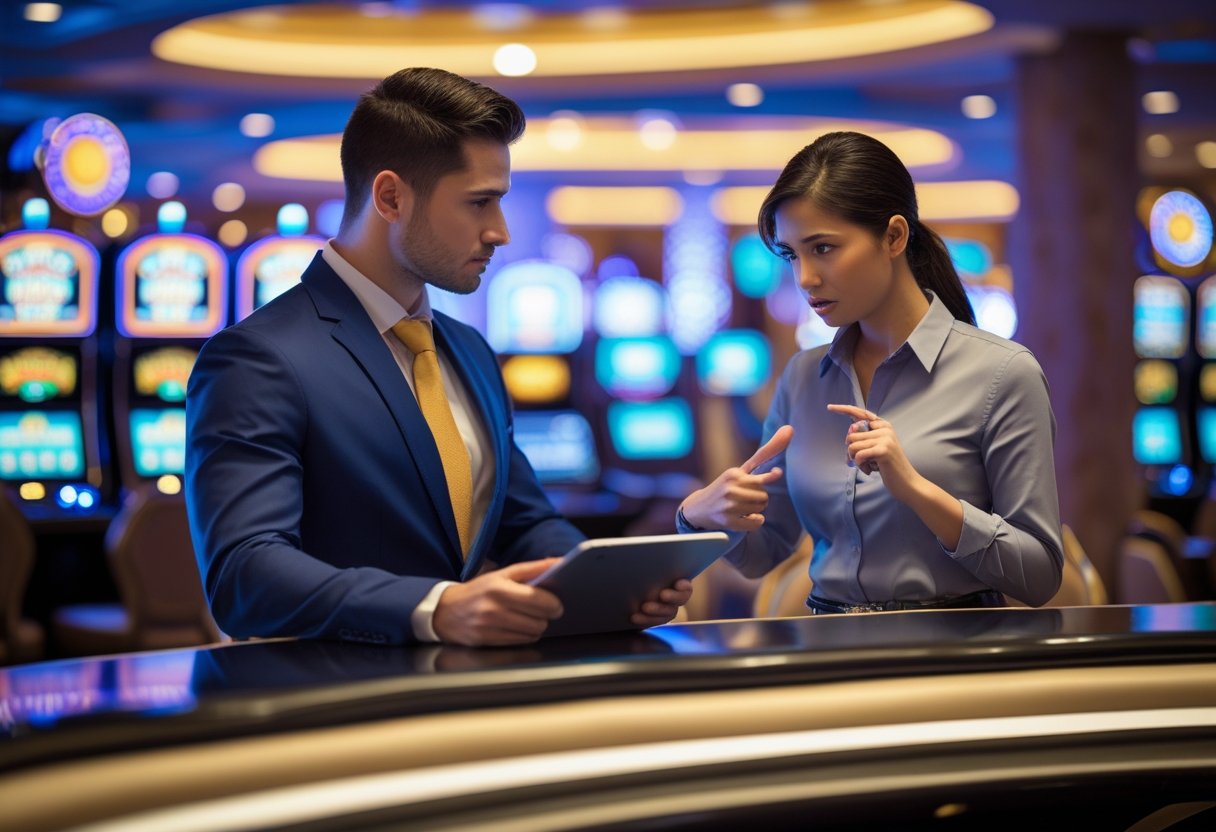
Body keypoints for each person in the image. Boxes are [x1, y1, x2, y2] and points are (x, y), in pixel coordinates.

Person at [185, 67, 691, 646]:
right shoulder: (258, 357)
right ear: (391, 197)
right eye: (479, 203)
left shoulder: (470, 349)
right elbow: (243, 574)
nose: (499, 231)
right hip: (329, 701)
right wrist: (434, 607)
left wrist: (612, 582)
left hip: (466, 694)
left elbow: (524, 524)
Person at [676, 131, 1063, 613]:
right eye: (793, 254)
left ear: (894, 236)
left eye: (823, 248)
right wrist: (700, 517)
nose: (805, 279)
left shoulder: (1003, 373)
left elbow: (1040, 575)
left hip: (955, 660)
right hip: (829, 653)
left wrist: (918, 491)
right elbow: (764, 554)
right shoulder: (801, 377)